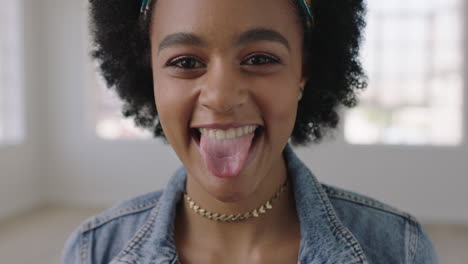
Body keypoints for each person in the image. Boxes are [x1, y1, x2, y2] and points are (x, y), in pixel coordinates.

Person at [62, 0, 438, 263]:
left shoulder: (399, 249)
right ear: (152, 78)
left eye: (260, 59)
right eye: (186, 62)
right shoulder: (93, 251)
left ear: (303, 73)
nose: (222, 97)